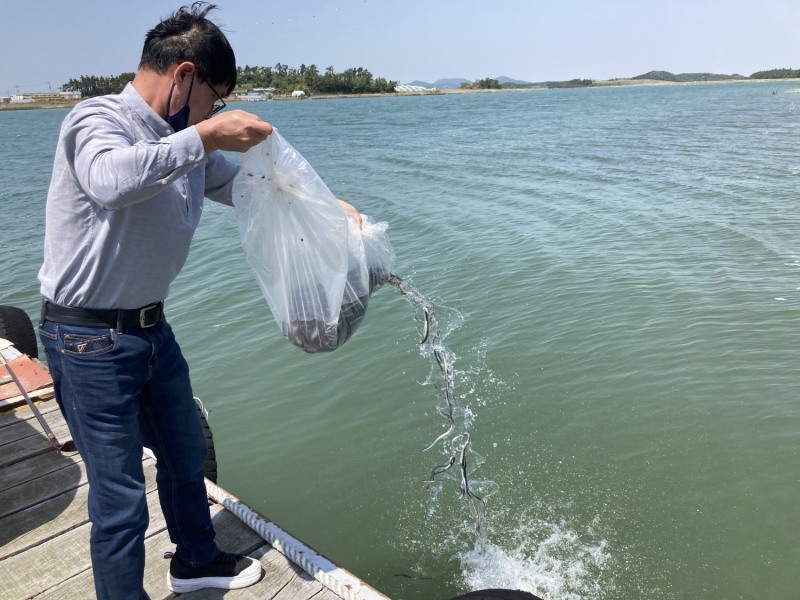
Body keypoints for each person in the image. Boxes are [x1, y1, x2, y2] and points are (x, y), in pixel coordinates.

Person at [37, 4, 274, 598]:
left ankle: (195, 561)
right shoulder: (96, 120)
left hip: (149, 330)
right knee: (119, 499)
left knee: (184, 453)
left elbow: (246, 186)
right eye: (213, 99)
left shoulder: (182, 141)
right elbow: (112, 181)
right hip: (86, 339)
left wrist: (329, 212)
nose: (213, 113)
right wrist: (203, 135)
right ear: (185, 74)